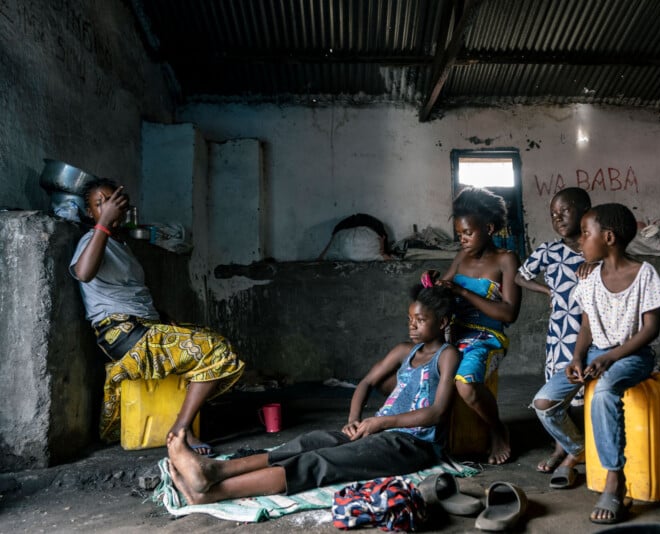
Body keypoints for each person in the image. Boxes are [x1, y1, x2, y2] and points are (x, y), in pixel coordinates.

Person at [165, 284, 461, 503]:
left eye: (420, 320)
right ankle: (216, 470)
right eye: (410, 319)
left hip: (412, 443)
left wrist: (381, 423)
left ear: (443, 322)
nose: (412, 326)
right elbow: (365, 384)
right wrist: (354, 418)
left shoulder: (447, 356)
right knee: (312, 441)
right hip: (375, 431)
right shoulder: (403, 351)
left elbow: (437, 413)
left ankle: (212, 493)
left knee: (323, 462)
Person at [70, 178, 245, 456]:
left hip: (144, 326)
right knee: (215, 350)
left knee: (213, 339)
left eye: (111, 202)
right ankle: (181, 431)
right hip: (122, 333)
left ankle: (184, 418)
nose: (106, 208)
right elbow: (83, 273)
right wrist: (102, 225)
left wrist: (162, 317)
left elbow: (132, 294)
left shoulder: (121, 245)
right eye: (98, 204)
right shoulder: (91, 239)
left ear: (123, 207)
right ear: (91, 213)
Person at [532, 203, 660, 525]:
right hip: (595, 354)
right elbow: (587, 326)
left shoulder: (644, 274)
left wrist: (611, 357)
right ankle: (576, 447)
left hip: (633, 355)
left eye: (585, 234)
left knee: (605, 390)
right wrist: (578, 358)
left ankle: (614, 478)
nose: (580, 240)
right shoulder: (590, 278)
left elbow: (651, 329)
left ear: (608, 237)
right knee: (544, 403)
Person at [427, 186, 521, 465]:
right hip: (454, 336)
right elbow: (444, 294)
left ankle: (497, 430)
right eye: (460, 235)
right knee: (408, 375)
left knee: (465, 384)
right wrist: (434, 283)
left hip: (487, 337)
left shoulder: (506, 259)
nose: (463, 240)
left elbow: (509, 313)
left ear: (489, 227)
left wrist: (464, 292)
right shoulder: (461, 257)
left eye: (468, 233)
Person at [515, 187, 592, 474]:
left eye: (565, 211)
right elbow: (519, 277)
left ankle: (586, 445)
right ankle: (562, 447)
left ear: (585, 211)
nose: (558, 218)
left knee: (588, 391)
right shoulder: (548, 251)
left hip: (591, 331)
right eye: (553, 214)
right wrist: (546, 290)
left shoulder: (595, 248)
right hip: (560, 332)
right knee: (558, 395)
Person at [317, 213, 393, 261]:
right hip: (370, 230)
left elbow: (322, 257)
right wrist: (384, 254)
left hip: (342, 230)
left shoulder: (341, 230)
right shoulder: (374, 226)